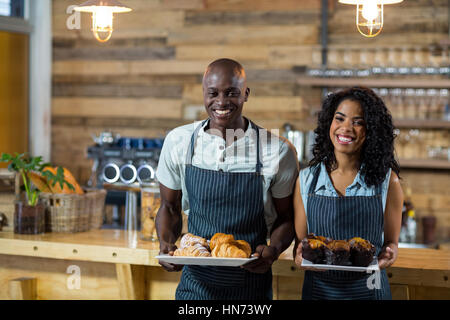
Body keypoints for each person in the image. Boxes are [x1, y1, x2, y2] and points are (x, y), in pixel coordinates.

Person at [155, 58, 299, 300]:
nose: (221, 102)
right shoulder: (179, 142)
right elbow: (169, 207)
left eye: (231, 93)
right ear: (203, 93)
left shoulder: (277, 150)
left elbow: (286, 218)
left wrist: (273, 251)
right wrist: (167, 246)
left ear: (246, 94)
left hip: (252, 284)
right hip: (195, 286)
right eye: (213, 93)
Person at [293, 86, 403, 300]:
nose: (346, 128)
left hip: (371, 290)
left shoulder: (388, 182)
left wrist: (391, 253)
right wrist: (298, 258)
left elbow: (391, 243)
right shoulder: (306, 180)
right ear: (329, 123)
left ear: (371, 130)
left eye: (358, 122)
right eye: (340, 119)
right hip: (319, 292)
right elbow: (301, 245)